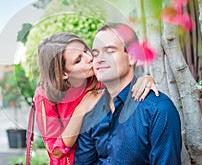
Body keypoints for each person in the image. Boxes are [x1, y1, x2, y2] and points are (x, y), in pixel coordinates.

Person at [32, 32, 159, 165]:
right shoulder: (45, 95)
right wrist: (80, 110)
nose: (90, 58)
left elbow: (124, 81)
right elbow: (56, 151)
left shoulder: (97, 76)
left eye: (86, 50)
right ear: (64, 73)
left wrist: (145, 79)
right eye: (78, 60)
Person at [74, 23, 182, 164]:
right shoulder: (91, 111)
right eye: (95, 54)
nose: (99, 59)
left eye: (110, 51)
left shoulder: (158, 110)